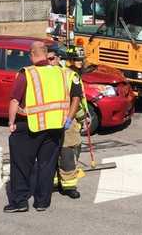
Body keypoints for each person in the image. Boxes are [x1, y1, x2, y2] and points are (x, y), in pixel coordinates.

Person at [4, 42, 82, 213]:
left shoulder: (27, 73)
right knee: (47, 166)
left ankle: (20, 202)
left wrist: (11, 122)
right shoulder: (63, 74)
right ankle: (42, 202)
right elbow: (75, 97)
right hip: (55, 126)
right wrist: (68, 119)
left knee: (21, 165)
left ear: (32, 55)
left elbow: (15, 101)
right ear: (46, 55)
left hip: (30, 126)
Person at [55, 53, 90, 199]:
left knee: (65, 154)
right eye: (76, 60)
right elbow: (75, 102)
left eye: (81, 60)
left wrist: (83, 117)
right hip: (57, 121)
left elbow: (78, 101)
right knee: (60, 155)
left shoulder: (70, 76)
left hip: (65, 121)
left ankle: (65, 185)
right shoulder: (66, 76)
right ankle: (61, 183)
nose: (80, 63)